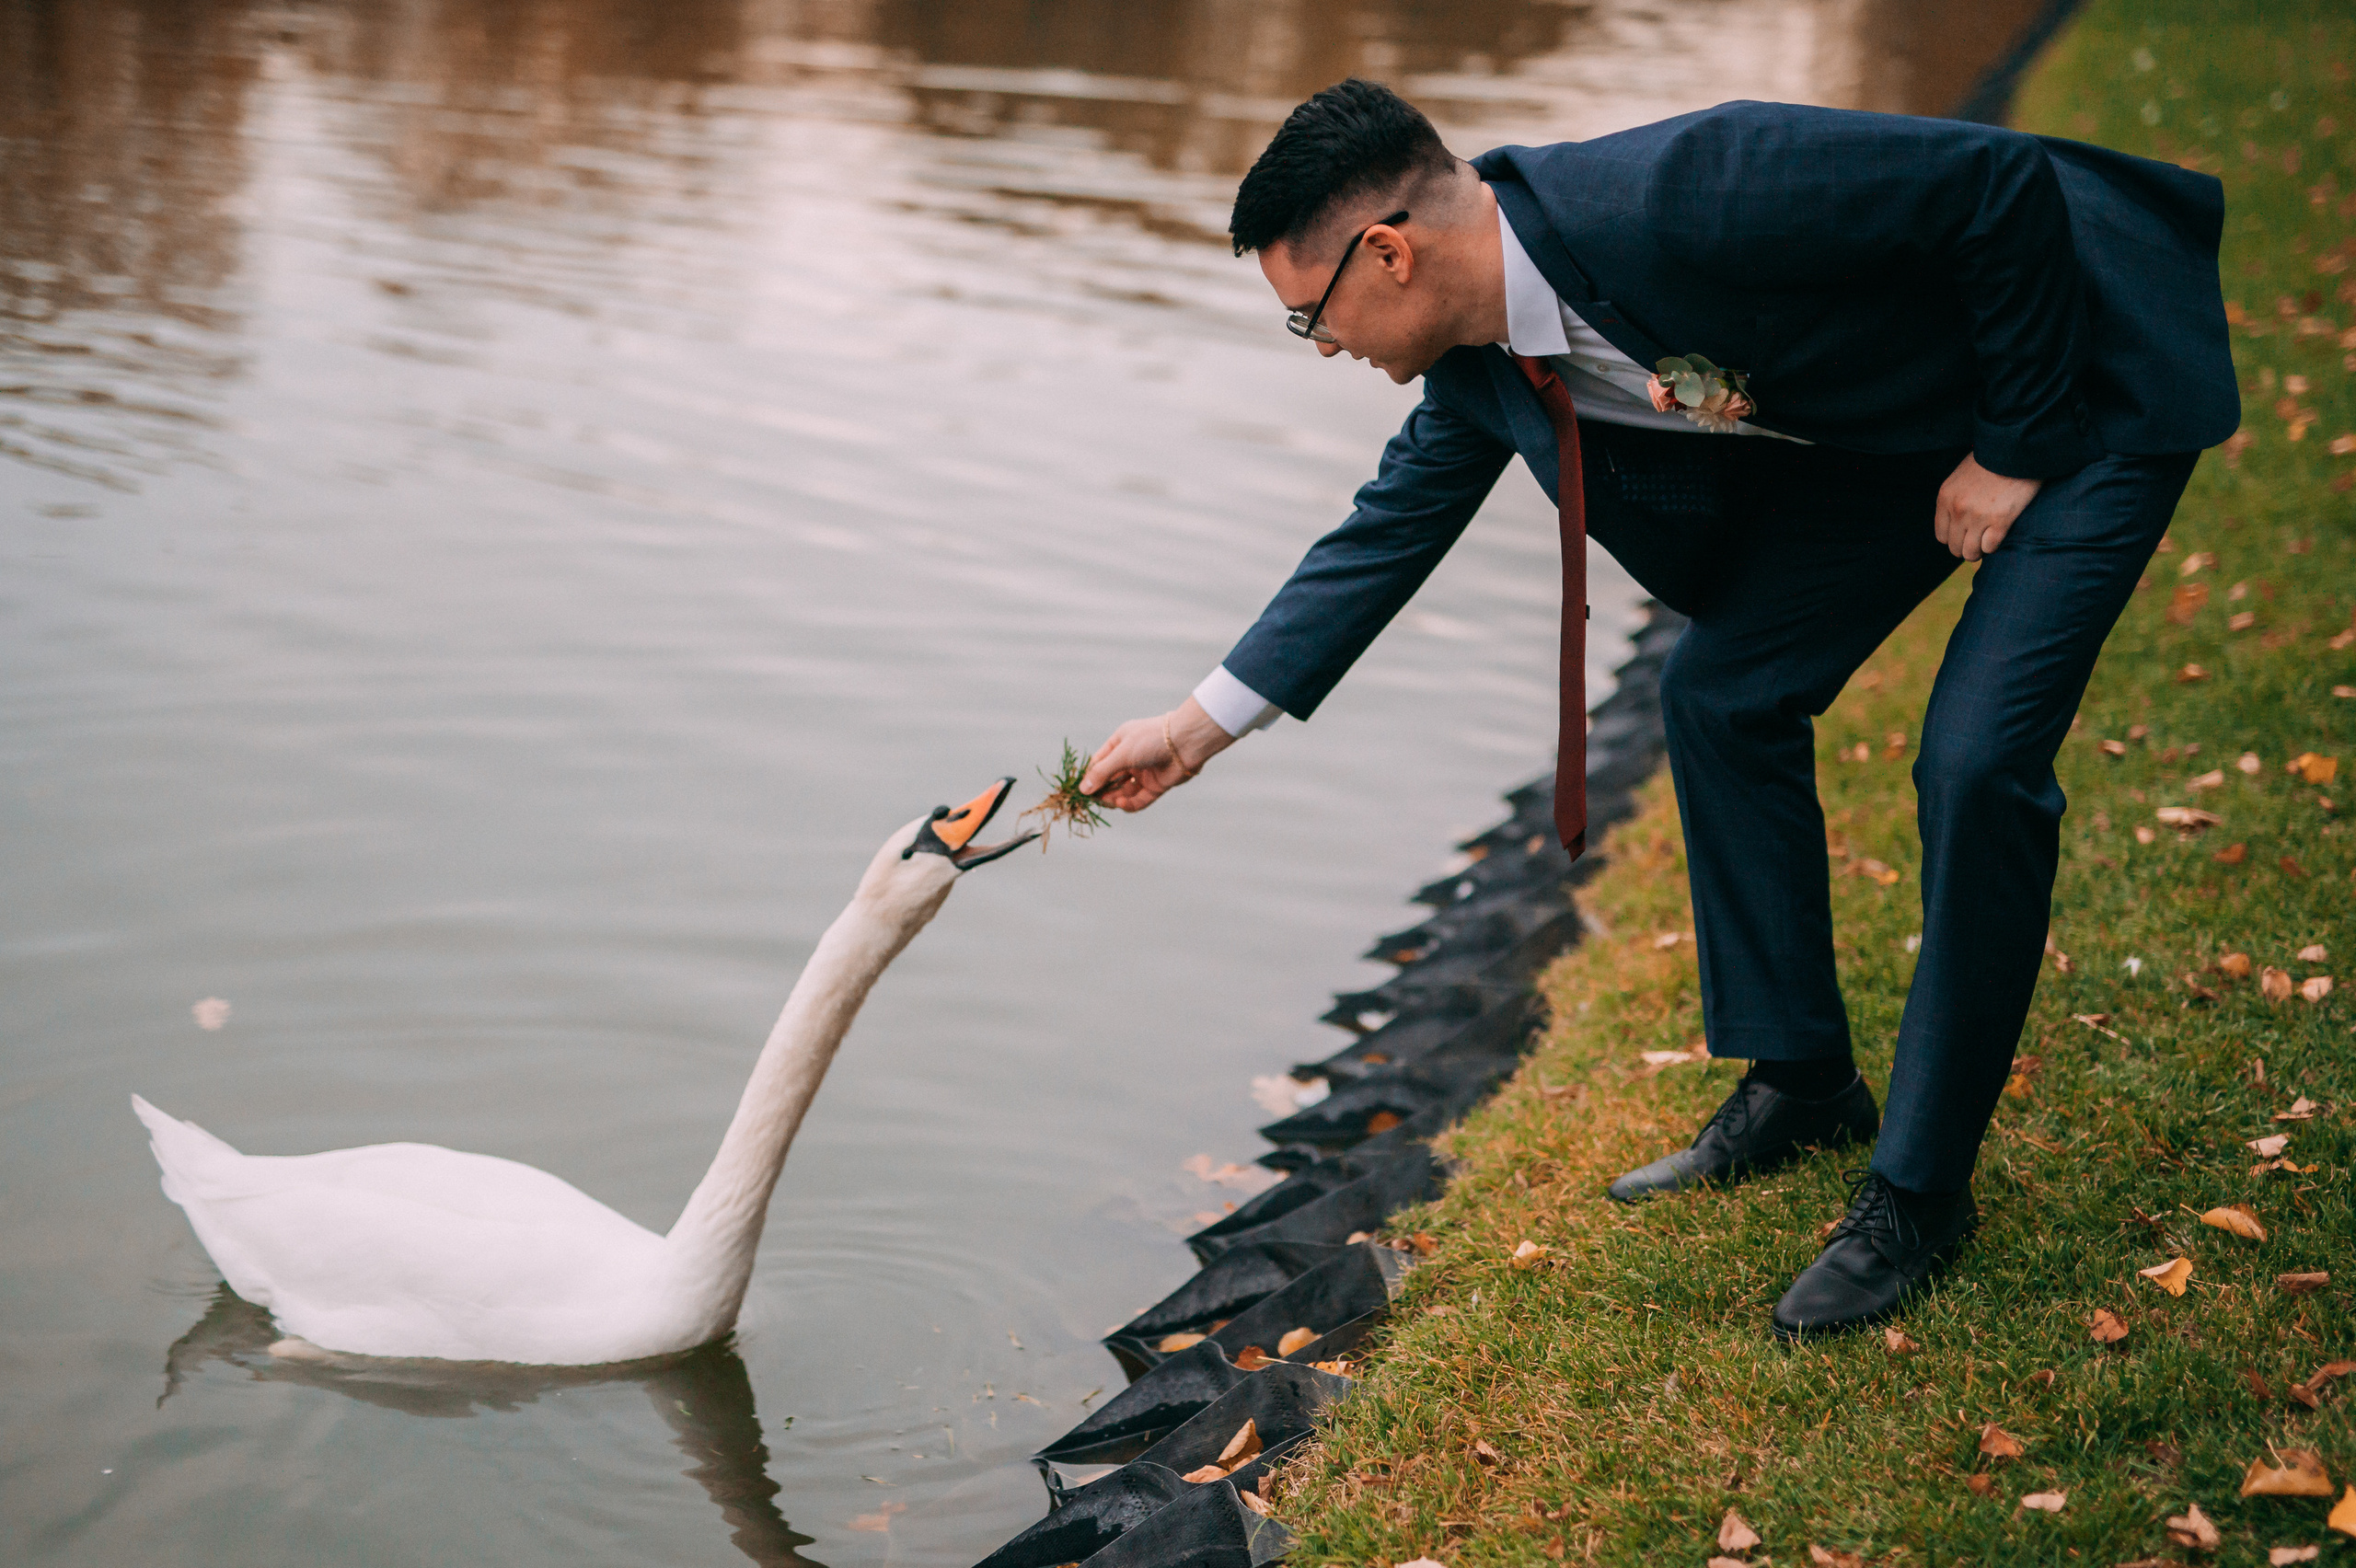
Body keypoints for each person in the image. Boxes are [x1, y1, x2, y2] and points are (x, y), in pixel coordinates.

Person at [1078, 80, 2236, 1338]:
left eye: (1312, 318)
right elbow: (1388, 532)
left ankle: (1918, 1194)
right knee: (1722, 688)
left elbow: (1997, 190)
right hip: (1903, 422)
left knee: (1973, 763)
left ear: (1391, 253)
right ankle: (1803, 1080)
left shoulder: (1689, 186)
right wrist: (1197, 728)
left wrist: (2013, 446)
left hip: (2083, 378)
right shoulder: (1482, 364)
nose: (1326, 346)